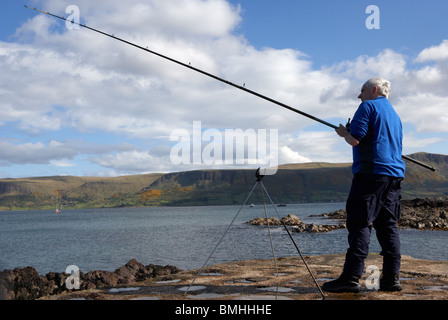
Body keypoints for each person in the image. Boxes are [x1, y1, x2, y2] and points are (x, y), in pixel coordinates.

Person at [322, 78, 405, 293]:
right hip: (394, 176)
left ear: (374, 90)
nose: (359, 95)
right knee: (387, 225)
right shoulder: (395, 115)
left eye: (362, 90)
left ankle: (350, 278)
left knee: (359, 223)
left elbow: (355, 140)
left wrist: (344, 133)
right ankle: (391, 279)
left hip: (370, 174)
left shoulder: (367, 106)